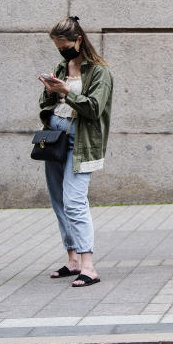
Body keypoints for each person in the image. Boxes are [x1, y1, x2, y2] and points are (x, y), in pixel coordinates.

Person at [38, 16, 113, 288]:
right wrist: (50, 92)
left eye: (65, 46)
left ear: (79, 40)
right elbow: (45, 105)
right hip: (55, 139)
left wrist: (67, 91)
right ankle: (72, 260)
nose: (62, 51)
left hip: (81, 144)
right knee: (58, 200)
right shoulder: (62, 65)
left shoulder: (99, 72)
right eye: (58, 47)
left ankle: (88, 266)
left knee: (74, 201)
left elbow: (94, 108)